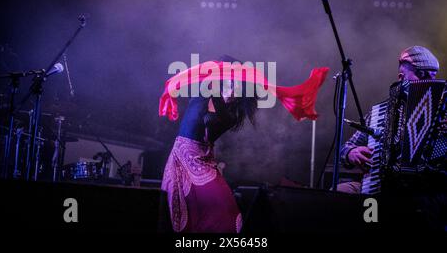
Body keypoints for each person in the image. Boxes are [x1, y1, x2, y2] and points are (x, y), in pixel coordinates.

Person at [159, 56, 329, 232]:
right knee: (182, 215)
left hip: (203, 162)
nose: (233, 91)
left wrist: (226, 85)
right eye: (230, 84)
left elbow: (214, 119)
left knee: (226, 210)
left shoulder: (231, 116)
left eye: (237, 87)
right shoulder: (202, 94)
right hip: (180, 158)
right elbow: (200, 74)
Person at [338, 45, 441, 194]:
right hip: (380, 185)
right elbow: (345, 148)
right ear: (401, 76)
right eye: (421, 74)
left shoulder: (442, 109)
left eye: (431, 76)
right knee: (338, 192)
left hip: (430, 190)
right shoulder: (380, 113)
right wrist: (351, 153)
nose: (428, 81)